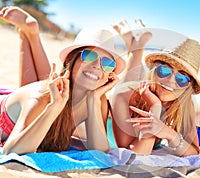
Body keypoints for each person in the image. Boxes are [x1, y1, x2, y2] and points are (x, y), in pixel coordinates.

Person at [0, 6, 126, 155]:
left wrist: (93, 99)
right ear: (72, 60)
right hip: (9, 118)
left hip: (31, 103)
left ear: (109, 75)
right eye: (89, 56)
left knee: (44, 86)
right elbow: (12, 151)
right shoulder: (41, 96)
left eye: (107, 64)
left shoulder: (98, 100)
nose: (97, 66)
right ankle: (27, 35)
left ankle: (29, 34)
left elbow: (101, 152)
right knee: (41, 90)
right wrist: (55, 106)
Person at [111, 21, 200, 156]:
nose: (170, 80)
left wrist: (170, 134)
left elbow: (195, 153)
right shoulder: (123, 95)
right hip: (127, 96)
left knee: (133, 74)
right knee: (127, 82)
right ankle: (137, 47)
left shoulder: (184, 102)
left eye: (182, 79)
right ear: (153, 70)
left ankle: (136, 44)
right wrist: (155, 108)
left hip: (143, 88)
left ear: (187, 87)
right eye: (164, 71)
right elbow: (136, 156)